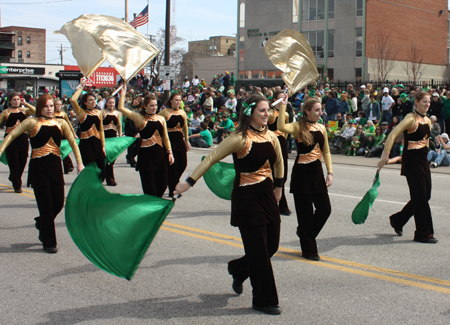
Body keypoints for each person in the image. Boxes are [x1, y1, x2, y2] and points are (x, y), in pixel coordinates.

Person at [174, 94, 284, 315]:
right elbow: (211, 158)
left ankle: (238, 269)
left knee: (271, 246)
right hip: (246, 197)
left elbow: (279, 162)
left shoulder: (271, 136)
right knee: (259, 251)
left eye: (267, 110)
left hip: (267, 195)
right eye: (262, 110)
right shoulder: (239, 138)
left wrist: (279, 188)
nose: (266, 114)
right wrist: (188, 182)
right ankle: (263, 299)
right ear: (250, 113)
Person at [0, 94, 84, 253]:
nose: (49, 109)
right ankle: (49, 242)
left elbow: (73, 142)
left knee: (58, 202)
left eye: (51, 106)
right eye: (46, 106)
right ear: (39, 107)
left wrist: (79, 163)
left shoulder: (61, 123)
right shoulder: (31, 122)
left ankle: (41, 222)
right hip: (38, 168)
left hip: (55, 168)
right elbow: (11, 135)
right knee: (45, 205)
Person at [277, 97, 333, 261]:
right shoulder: (297, 126)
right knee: (305, 215)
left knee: (325, 210)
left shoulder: (322, 127)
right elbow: (281, 127)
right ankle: (309, 250)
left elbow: (326, 151)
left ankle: (303, 233)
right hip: (302, 175)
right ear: (307, 111)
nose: (319, 113)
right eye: (316, 110)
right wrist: (282, 107)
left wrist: (330, 172)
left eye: (320, 109)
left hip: (317, 174)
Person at [377, 91, 437, 243]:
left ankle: (398, 220)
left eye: (428, 102)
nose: (427, 104)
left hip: (423, 162)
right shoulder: (410, 118)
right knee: (420, 198)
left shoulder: (427, 120)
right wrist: (385, 157)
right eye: (424, 101)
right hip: (412, 163)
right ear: (416, 102)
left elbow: (426, 142)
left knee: (425, 196)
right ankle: (423, 234)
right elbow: (392, 135)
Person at [118, 89, 174, 197]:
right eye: (151, 105)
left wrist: (170, 152)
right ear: (145, 106)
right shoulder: (140, 118)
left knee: (162, 184)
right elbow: (121, 108)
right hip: (146, 157)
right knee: (149, 187)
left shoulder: (161, 119)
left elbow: (165, 138)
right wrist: (123, 92)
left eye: (155, 105)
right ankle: (152, 207)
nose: (154, 108)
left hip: (160, 156)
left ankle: (155, 202)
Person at [0, 93, 35, 192]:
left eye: (18, 99)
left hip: (23, 139)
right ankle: (17, 185)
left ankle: (14, 176)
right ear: (10, 101)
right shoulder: (6, 112)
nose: (16, 101)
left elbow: (35, 111)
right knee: (14, 162)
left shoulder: (24, 111)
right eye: (14, 100)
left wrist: (26, 103)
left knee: (22, 161)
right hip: (10, 139)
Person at [159, 93, 190, 197]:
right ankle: (173, 188)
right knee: (172, 166)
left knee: (183, 164)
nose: (178, 102)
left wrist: (187, 140)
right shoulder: (165, 112)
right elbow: (157, 123)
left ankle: (172, 182)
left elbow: (185, 127)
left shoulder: (182, 112)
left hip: (179, 140)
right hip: (169, 140)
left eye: (180, 100)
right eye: (176, 100)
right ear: (171, 101)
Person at [70, 87, 106, 178]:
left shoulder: (99, 112)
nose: (93, 101)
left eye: (94, 99)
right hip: (86, 145)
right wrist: (81, 87)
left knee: (102, 171)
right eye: (90, 100)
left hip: (97, 144)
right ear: (85, 103)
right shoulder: (81, 113)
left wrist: (103, 146)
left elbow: (101, 130)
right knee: (89, 171)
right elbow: (73, 100)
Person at [269, 91, 292, 216]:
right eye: (280, 98)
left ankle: (278, 202)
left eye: (285, 98)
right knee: (273, 175)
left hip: (281, 144)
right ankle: (281, 205)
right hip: (271, 144)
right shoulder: (270, 114)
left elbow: (286, 131)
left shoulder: (286, 114)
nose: (283, 100)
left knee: (283, 176)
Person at [54, 99, 78, 174]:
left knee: (64, 150)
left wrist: (73, 133)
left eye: (60, 104)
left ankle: (68, 166)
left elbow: (69, 124)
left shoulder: (63, 114)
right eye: (57, 104)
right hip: (55, 134)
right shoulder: (51, 114)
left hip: (63, 134)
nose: (58, 106)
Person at [102, 97, 122, 186]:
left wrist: (120, 137)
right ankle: (110, 179)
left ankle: (105, 176)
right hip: (105, 137)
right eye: (110, 102)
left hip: (113, 137)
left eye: (113, 103)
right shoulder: (102, 113)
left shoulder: (117, 113)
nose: (111, 104)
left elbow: (119, 126)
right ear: (106, 103)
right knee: (106, 158)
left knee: (112, 158)